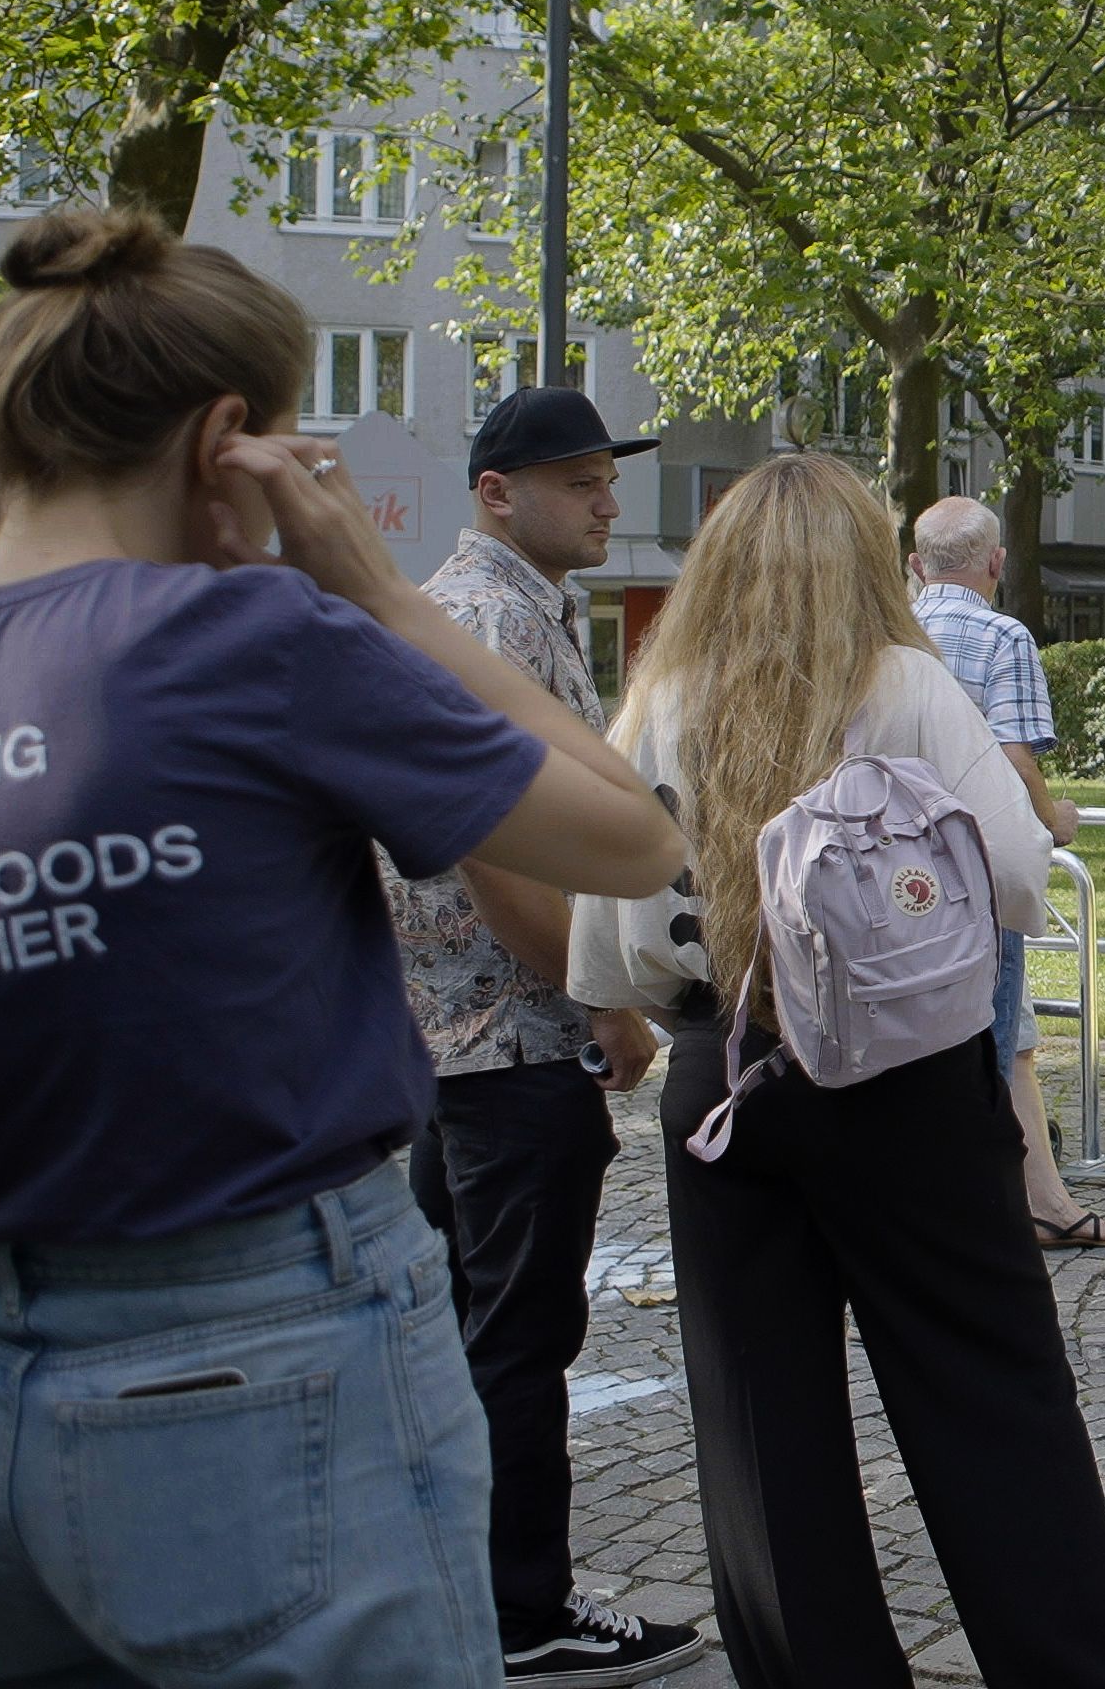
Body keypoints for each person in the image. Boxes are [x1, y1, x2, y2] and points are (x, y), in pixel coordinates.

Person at [0, 209, 684, 1687]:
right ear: (230, 441)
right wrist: (378, 592)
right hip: (248, 1343)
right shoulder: (253, 639)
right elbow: (629, 836)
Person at [567, 453, 1105, 1689]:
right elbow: (1022, 876)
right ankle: (1080, 1664)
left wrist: (639, 1014)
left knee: (757, 1404)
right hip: (900, 1069)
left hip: (725, 1067)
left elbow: (610, 915)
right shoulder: (904, 684)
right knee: (982, 1374)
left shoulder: (662, 693)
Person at [389, 386, 705, 1686]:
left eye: (605, 479)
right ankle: (521, 1612)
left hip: (459, 1040)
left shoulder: (490, 608)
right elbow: (495, 849)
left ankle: (458, 1595)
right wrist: (603, 1001)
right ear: (496, 492)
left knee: (467, 1333)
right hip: (505, 1040)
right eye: (580, 482)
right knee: (516, 1342)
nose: (608, 502)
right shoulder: (489, 620)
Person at [905, 494, 1105, 1250]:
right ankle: (985, 1213)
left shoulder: (891, 632)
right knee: (992, 1036)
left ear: (916, 565)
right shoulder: (1002, 635)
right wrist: (1051, 818)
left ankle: (1043, 1202)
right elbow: (1013, 754)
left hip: (893, 875)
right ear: (998, 562)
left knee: (1003, 1043)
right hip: (979, 870)